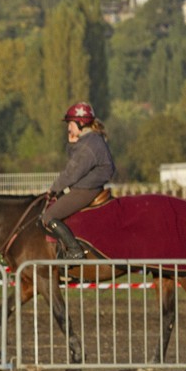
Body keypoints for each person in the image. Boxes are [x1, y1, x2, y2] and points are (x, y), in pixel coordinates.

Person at [40, 101, 114, 260]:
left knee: (48, 216)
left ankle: (75, 251)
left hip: (86, 189)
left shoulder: (88, 144)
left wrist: (53, 189)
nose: (68, 128)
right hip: (86, 186)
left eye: (70, 124)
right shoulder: (91, 140)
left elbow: (71, 174)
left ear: (81, 123)